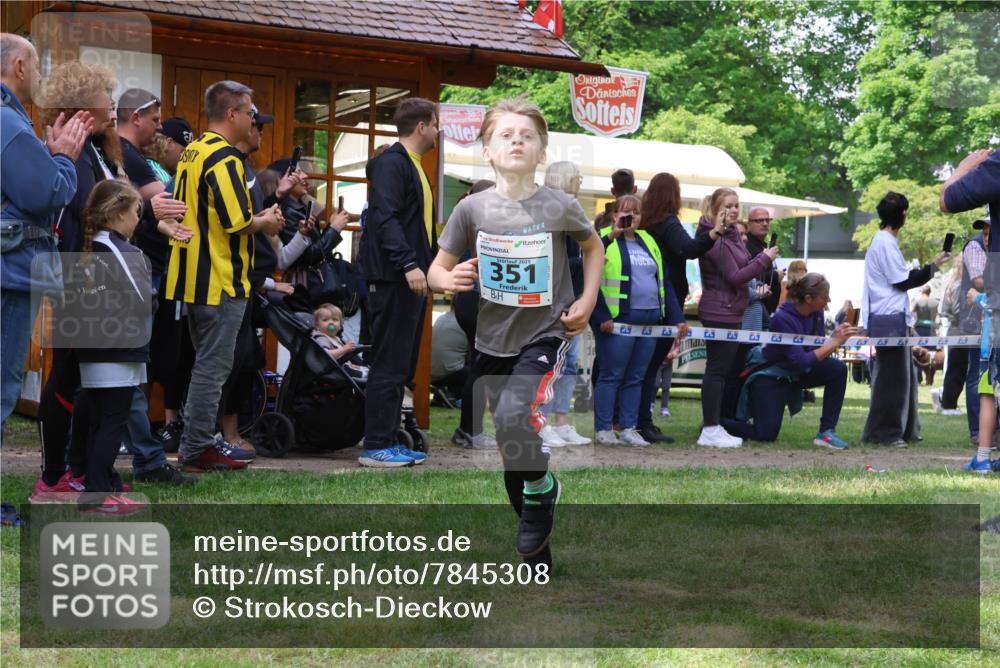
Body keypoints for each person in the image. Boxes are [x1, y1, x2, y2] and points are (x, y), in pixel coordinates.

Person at [428, 97, 604, 571]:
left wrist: (586, 300)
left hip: (546, 334)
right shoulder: (471, 209)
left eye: (527, 135)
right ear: (487, 149)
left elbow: (594, 247)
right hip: (490, 341)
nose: (516, 141)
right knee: (513, 453)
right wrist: (448, 280)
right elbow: (434, 272)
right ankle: (537, 549)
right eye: (505, 135)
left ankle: (545, 489)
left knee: (512, 417)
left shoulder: (560, 205)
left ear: (542, 151)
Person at [165, 80, 284, 473]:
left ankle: (199, 438)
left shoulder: (192, 151)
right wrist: (266, 221)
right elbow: (237, 222)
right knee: (213, 367)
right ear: (231, 114)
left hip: (191, 276)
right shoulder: (225, 159)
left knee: (205, 363)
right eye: (250, 112)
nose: (254, 119)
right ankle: (198, 446)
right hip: (220, 279)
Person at [0, 33, 89, 431]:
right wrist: (63, 159)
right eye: (36, 67)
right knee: (2, 384)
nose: (39, 77)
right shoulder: (9, 124)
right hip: (9, 273)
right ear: (19, 66)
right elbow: (48, 194)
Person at [357, 97, 438, 468]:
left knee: (400, 364)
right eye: (435, 124)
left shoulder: (413, 165)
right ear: (421, 125)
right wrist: (408, 263)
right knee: (388, 362)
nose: (438, 132)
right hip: (393, 278)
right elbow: (383, 219)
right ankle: (375, 445)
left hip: (410, 281)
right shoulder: (393, 163)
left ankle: (389, 439)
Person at [69, 180, 151, 514]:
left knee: (97, 421)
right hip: (119, 353)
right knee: (111, 423)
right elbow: (145, 301)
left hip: (92, 352)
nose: (138, 219)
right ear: (117, 212)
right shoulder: (125, 252)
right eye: (136, 211)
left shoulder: (88, 249)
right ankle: (97, 496)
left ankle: (98, 487)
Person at [590, 195, 686, 446]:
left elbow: (664, 282)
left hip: (650, 322)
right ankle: (603, 429)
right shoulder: (603, 239)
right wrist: (601, 315)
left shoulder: (649, 241)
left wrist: (677, 318)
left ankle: (629, 428)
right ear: (614, 215)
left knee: (637, 376)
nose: (632, 217)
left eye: (637, 212)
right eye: (625, 211)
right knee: (612, 375)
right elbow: (588, 277)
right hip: (616, 321)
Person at [637, 172, 722, 444]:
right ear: (673, 194)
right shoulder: (668, 223)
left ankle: (629, 420)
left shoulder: (645, 222)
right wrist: (715, 232)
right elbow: (689, 249)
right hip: (667, 298)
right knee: (652, 367)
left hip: (644, 298)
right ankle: (643, 422)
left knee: (641, 367)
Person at [722, 273, 854, 447]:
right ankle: (717, 424)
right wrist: (834, 342)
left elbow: (815, 351)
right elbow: (799, 361)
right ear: (808, 298)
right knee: (765, 434)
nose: (828, 300)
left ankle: (826, 433)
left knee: (837, 369)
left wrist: (834, 339)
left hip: (796, 373)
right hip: (771, 376)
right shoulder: (782, 318)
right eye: (824, 297)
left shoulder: (817, 312)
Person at [860, 192, 950, 447]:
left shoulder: (884, 241)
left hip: (893, 317)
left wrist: (931, 266)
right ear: (903, 214)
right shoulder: (885, 242)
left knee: (906, 377)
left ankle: (907, 429)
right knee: (892, 379)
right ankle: (883, 433)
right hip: (888, 317)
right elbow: (903, 282)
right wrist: (932, 266)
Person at [696, 188, 778, 448]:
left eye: (736, 205)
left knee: (723, 372)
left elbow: (741, 268)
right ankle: (710, 428)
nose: (733, 210)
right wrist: (764, 259)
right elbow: (735, 276)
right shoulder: (713, 238)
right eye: (727, 206)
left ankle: (716, 425)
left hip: (733, 308)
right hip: (719, 309)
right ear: (715, 208)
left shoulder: (731, 235)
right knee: (717, 370)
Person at [941, 147, 1000, 473]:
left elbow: (948, 200)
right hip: (985, 328)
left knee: (988, 389)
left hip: (991, 329)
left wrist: (964, 165)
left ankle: (982, 455)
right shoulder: (975, 248)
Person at [537, 161, 590, 447]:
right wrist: (584, 261)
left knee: (569, 364)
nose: (580, 182)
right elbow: (548, 258)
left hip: (573, 299)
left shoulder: (570, 208)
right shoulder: (552, 210)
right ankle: (541, 423)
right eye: (578, 177)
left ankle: (561, 421)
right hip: (553, 300)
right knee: (551, 364)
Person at [449, 179, 498, 450]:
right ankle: (471, 431)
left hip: (469, 300)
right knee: (481, 367)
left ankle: (465, 429)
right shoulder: (478, 225)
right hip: (476, 299)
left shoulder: (466, 221)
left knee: (478, 366)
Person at [931, 260, 966, 415]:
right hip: (962, 330)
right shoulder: (961, 285)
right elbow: (958, 310)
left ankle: (944, 397)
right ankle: (948, 405)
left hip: (954, 329)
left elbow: (944, 309)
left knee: (955, 368)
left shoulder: (952, 283)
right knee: (958, 370)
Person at [313, 303, 369, 382]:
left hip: (344, 365)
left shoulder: (335, 338)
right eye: (325, 320)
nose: (331, 322)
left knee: (367, 368)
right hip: (335, 369)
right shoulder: (321, 338)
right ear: (317, 325)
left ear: (340, 326)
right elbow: (326, 354)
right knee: (370, 375)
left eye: (335, 319)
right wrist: (344, 349)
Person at [745, 207, 783, 317]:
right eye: (759, 220)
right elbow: (746, 276)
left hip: (764, 310)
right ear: (749, 224)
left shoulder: (762, 245)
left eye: (767, 220)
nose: (765, 223)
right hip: (752, 309)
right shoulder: (746, 245)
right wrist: (775, 275)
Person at [430, 304, 468, 402]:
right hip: (447, 373)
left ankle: (445, 393)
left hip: (429, 373)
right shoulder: (465, 321)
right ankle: (452, 394)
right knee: (478, 370)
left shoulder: (442, 317)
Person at [911, 285, 939, 384]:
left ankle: (918, 378)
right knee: (931, 355)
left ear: (922, 291)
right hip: (932, 329)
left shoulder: (917, 301)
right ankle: (930, 378)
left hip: (920, 330)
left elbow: (912, 311)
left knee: (918, 354)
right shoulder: (936, 302)